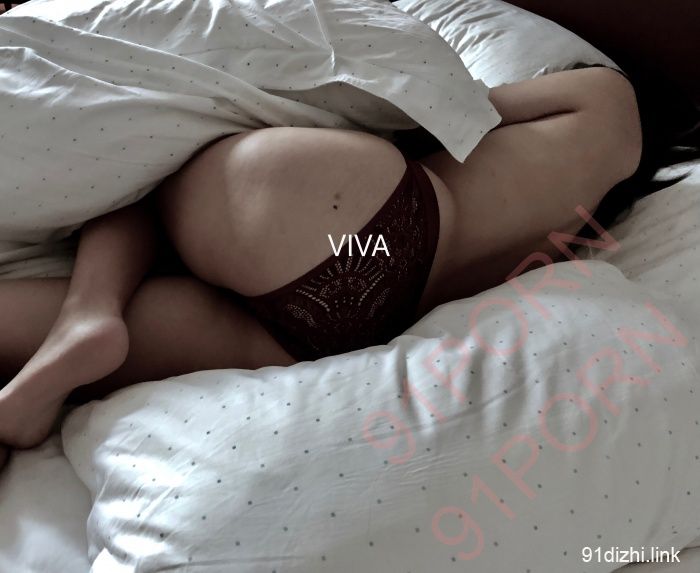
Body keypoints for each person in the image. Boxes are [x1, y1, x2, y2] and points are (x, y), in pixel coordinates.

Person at [0, 66, 649, 468]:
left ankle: (90, 309)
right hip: (334, 328)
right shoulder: (594, 180)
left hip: (364, 225)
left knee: (159, 156)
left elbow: (444, 104)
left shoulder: (607, 93)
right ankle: (80, 330)